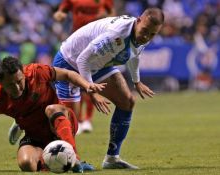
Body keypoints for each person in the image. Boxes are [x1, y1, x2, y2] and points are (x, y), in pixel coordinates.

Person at [52, 8, 164, 169]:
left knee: (127, 101)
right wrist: (92, 92)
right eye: (145, 31)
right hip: (70, 62)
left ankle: (112, 158)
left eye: (152, 34)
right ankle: (70, 160)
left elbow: (134, 55)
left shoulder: (141, 36)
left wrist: (136, 81)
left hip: (97, 65)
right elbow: (83, 59)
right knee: (69, 122)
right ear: (138, 20)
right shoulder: (117, 34)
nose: (146, 37)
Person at [0, 56, 106, 172]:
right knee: (27, 164)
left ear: (24, 74)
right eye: (10, 84)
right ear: (0, 82)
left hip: (60, 122)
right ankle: (51, 161)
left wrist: (87, 85)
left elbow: (67, 74)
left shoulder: (36, 72)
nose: (17, 88)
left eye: (19, 81)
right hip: (35, 136)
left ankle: (74, 158)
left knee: (51, 109)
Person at [53, 0, 115, 134]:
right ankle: (79, 120)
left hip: (97, 43)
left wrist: (106, 17)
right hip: (77, 43)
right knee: (77, 84)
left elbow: (112, 15)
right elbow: (60, 12)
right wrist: (60, 16)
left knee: (90, 83)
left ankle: (87, 120)